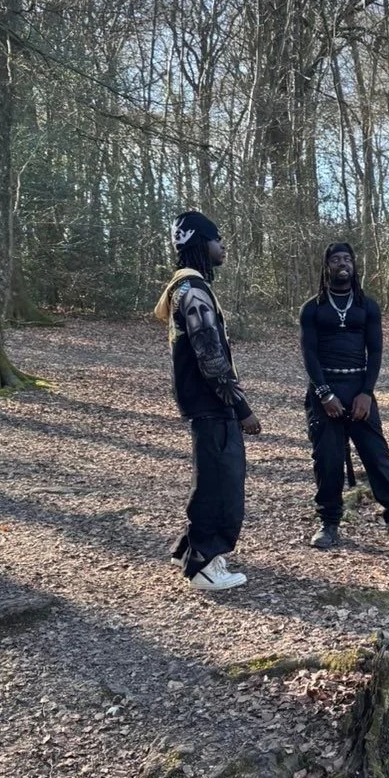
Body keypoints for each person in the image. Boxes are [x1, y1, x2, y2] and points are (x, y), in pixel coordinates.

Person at [154, 211, 261, 591]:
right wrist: (242, 409)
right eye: (217, 239)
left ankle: (189, 549)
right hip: (213, 405)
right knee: (222, 484)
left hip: (204, 404)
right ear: (200, 243)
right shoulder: (194, 292)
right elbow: (211, 357)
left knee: (213, 478)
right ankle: (205, 564)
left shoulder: (184, 288)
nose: (223, 246)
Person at [299, 241, 389, 550]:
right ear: (327, 267)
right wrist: (324, 394)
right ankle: (328, 523)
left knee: (377, 457)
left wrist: (367, 392)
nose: (343, 263)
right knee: (327, 461)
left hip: (359, 392)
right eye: (336, 259)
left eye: (347, 258)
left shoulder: (368, 306)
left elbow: (376, 351)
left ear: (354, 265)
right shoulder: (313, 308)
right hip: (324, 393)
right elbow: (309, 354)